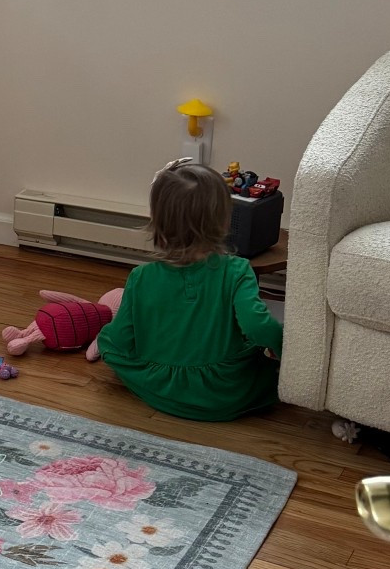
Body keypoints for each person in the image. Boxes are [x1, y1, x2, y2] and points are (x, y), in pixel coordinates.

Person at [95, 159, 283, 421]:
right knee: (269, 372)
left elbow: (121, 339)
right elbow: (259, 327)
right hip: (224, 392)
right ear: (223, 220)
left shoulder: (140, 277)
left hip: (160, 387)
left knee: (107, 341)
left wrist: (106, 341)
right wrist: (283, 349)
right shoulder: (237, 271)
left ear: (158, 220)